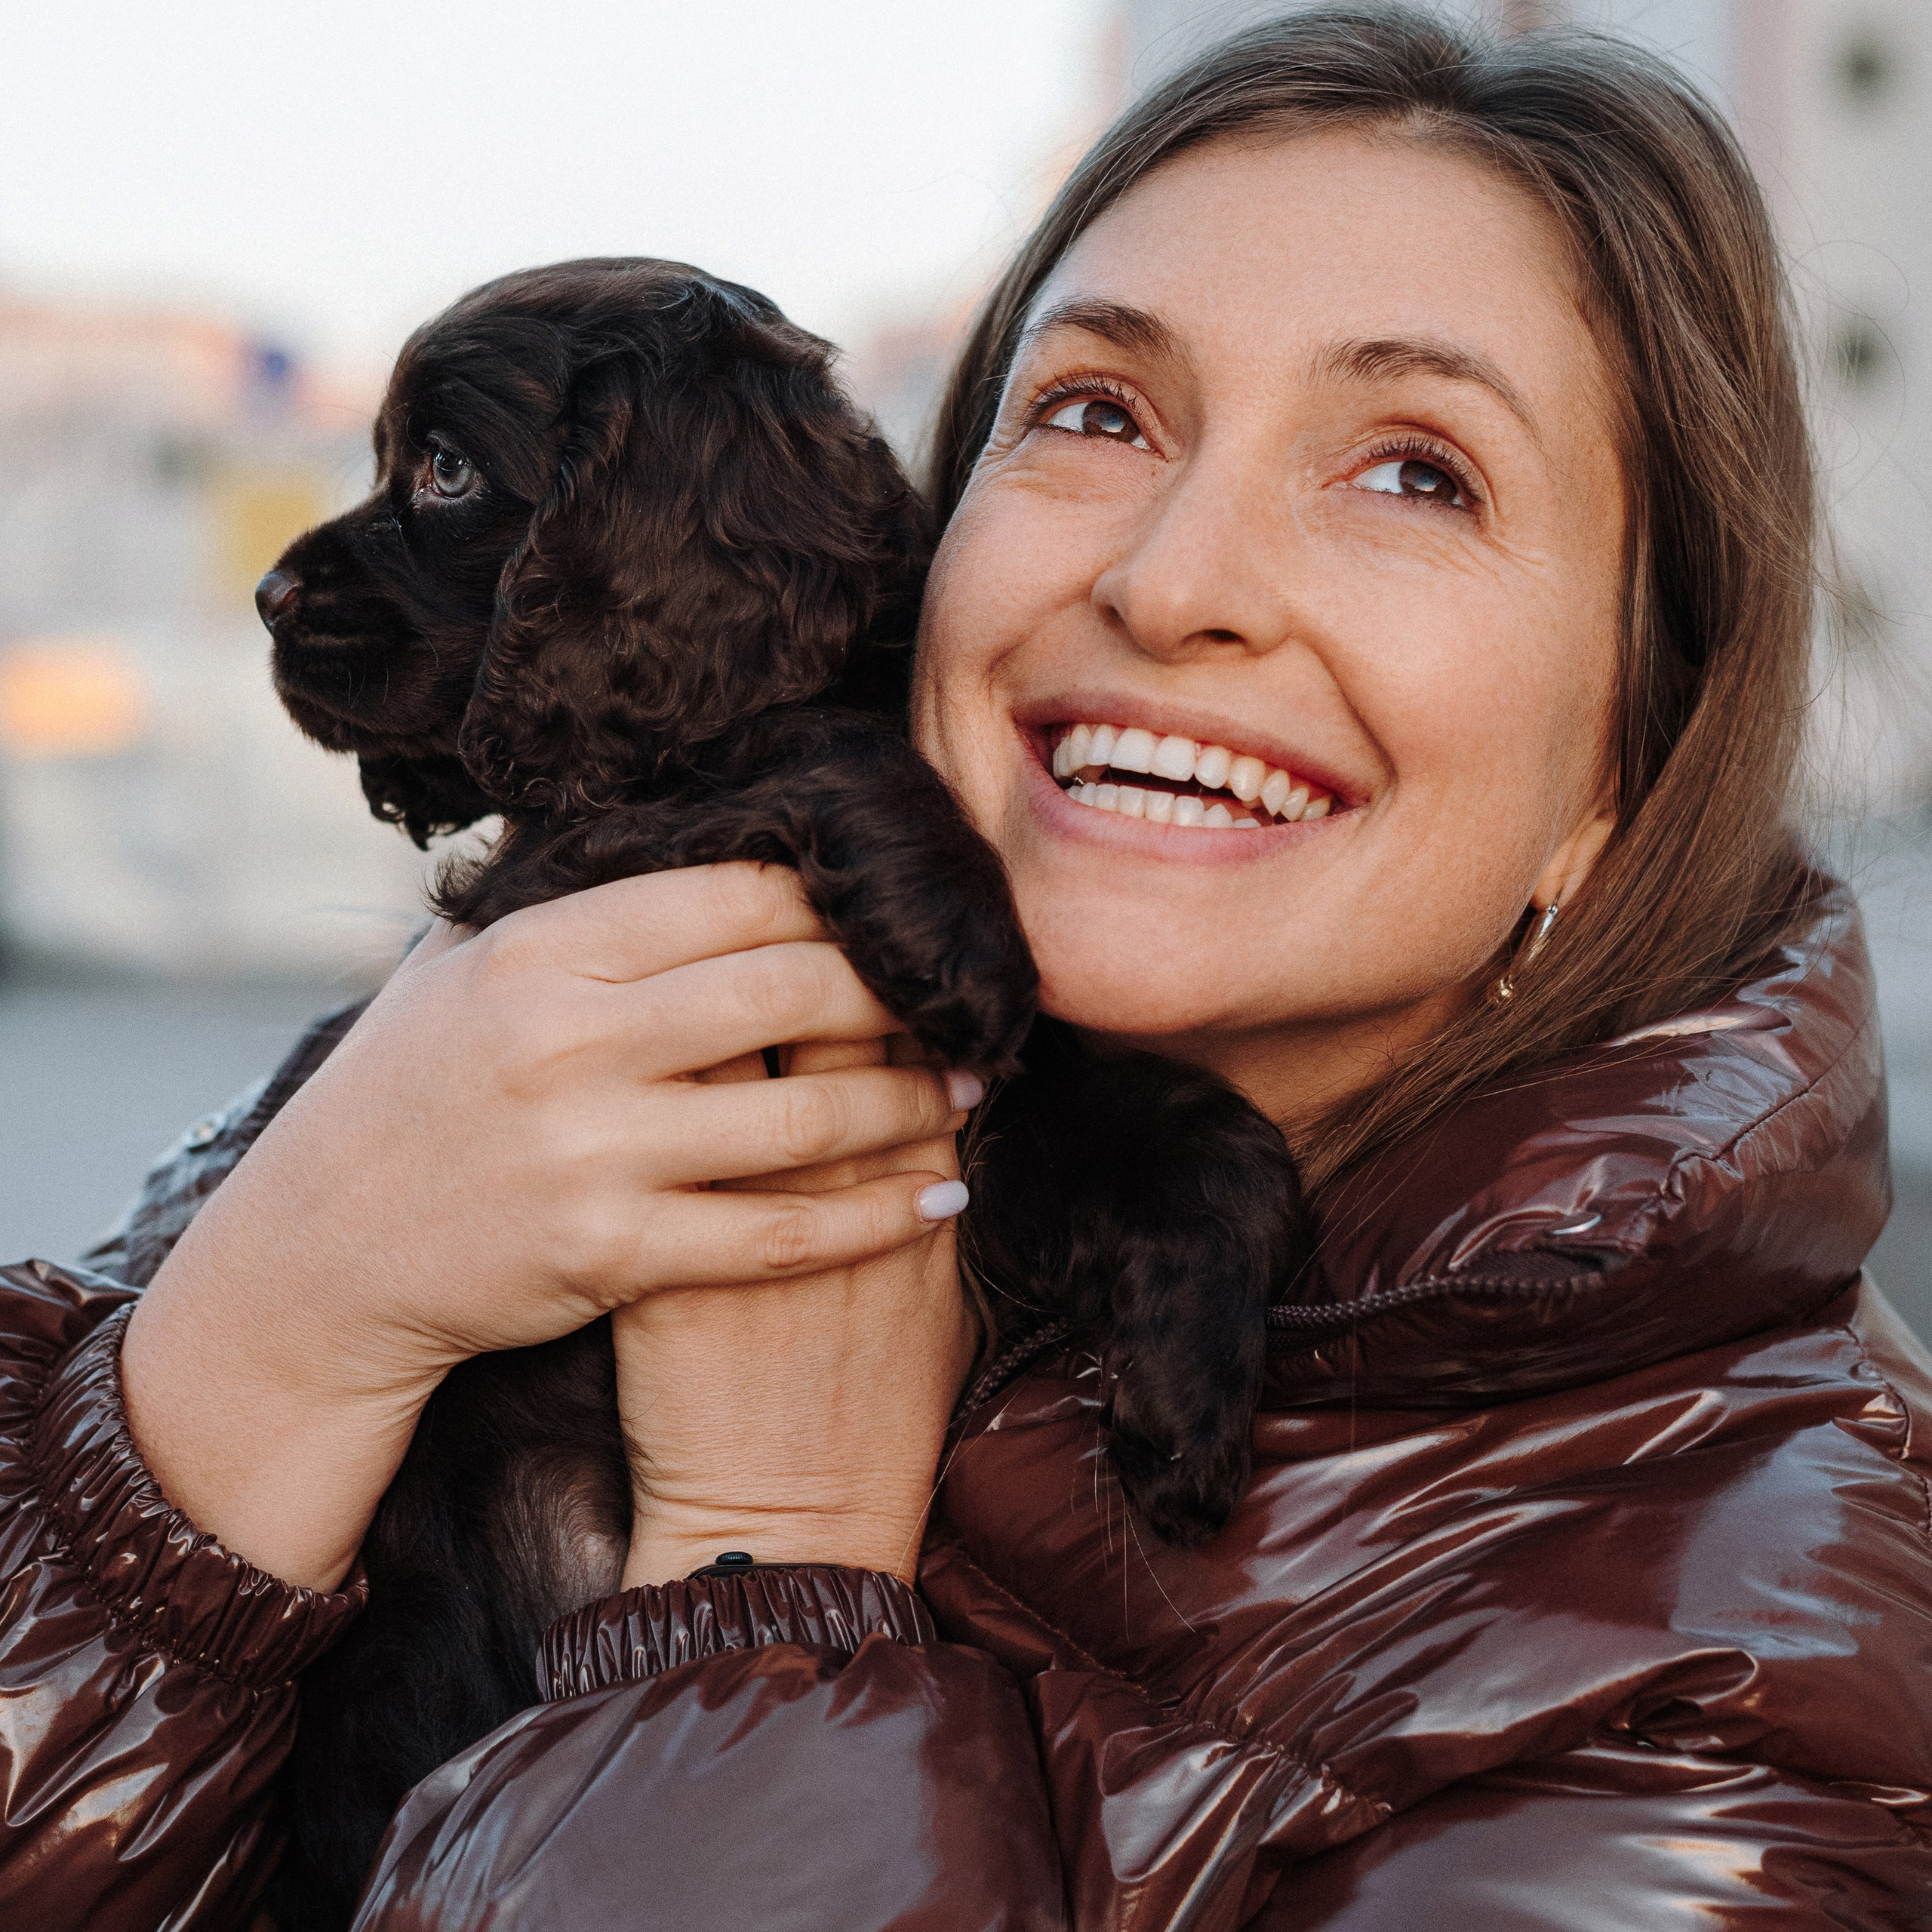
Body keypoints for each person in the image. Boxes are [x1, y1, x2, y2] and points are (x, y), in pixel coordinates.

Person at [4, 8, 1929, 1927]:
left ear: (1621, 762)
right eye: (1095, 411)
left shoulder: (1749, 1677)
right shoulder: (425, 1096)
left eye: (1414, 473)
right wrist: (261, 1340)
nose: (1172, 579)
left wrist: (764, 1588)